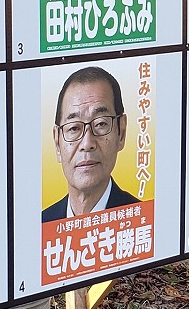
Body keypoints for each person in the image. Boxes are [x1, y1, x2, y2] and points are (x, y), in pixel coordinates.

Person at [42, 66, 136, 221]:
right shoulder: (40, 225)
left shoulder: (145, 220)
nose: (87, 143)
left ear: (122, 132)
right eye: (74, 128)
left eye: (100, 124)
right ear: (57, 143)